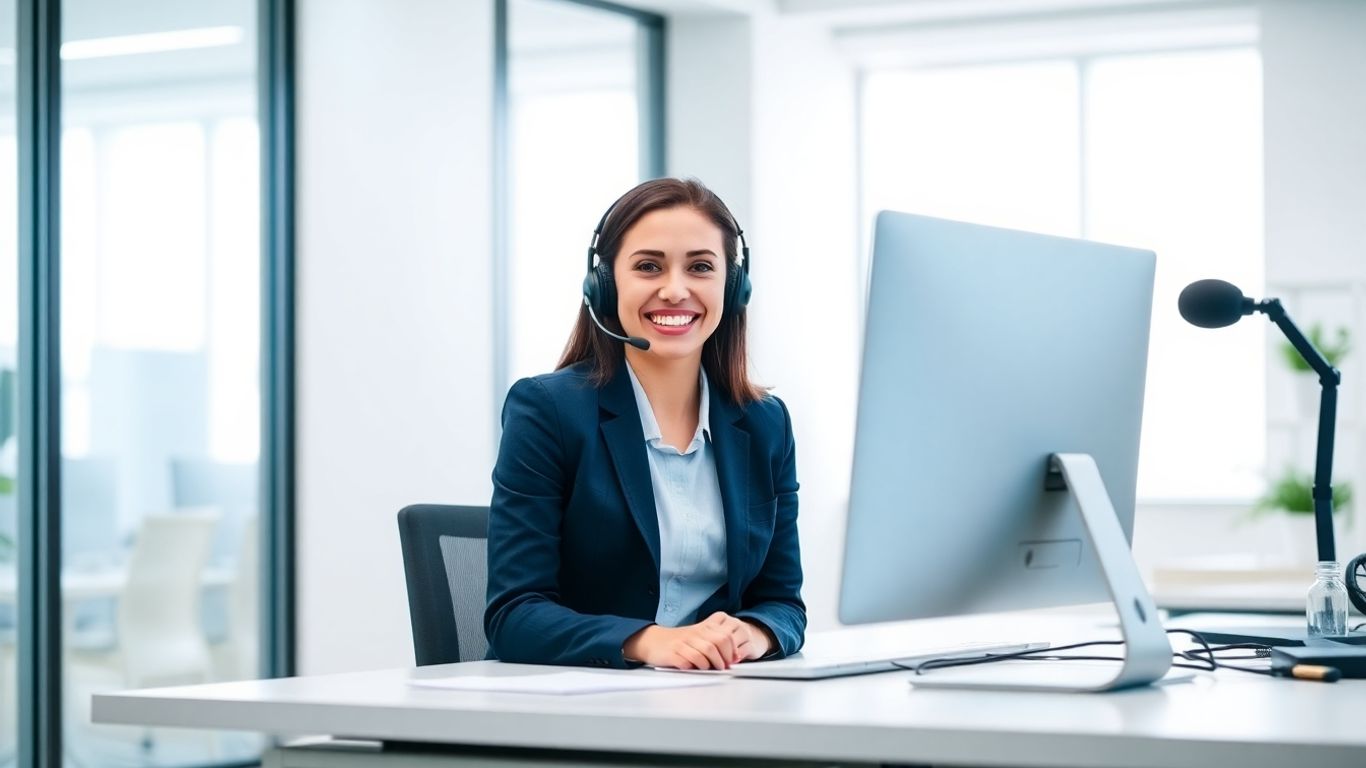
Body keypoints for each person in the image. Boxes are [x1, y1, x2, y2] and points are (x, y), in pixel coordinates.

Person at [484, 177, 805, 670]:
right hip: (576, 702)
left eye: (700, 267)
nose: (675, 290)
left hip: (713, 694)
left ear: (733, 287)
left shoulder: (764, 424)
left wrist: (754, 633)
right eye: (648, 266)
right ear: (605, 284)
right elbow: (513, 615)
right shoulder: (546, 410)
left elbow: (783, 604)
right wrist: (648, 641)